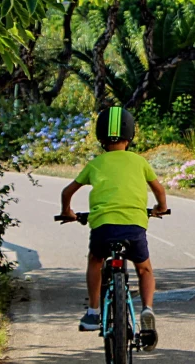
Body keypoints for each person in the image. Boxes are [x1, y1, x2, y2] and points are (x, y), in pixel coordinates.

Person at [59, 106, 168, 350]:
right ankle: (148, 309)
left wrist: (68, 211)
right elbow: (159, 190)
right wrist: (160, 208)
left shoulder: (96, 164)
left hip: (103, 228)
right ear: (130, 136)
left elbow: (67, 191)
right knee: (144, 269)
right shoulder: (139, 162)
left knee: (96, 260)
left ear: (100, 137)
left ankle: (93, 311)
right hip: (134, 227)